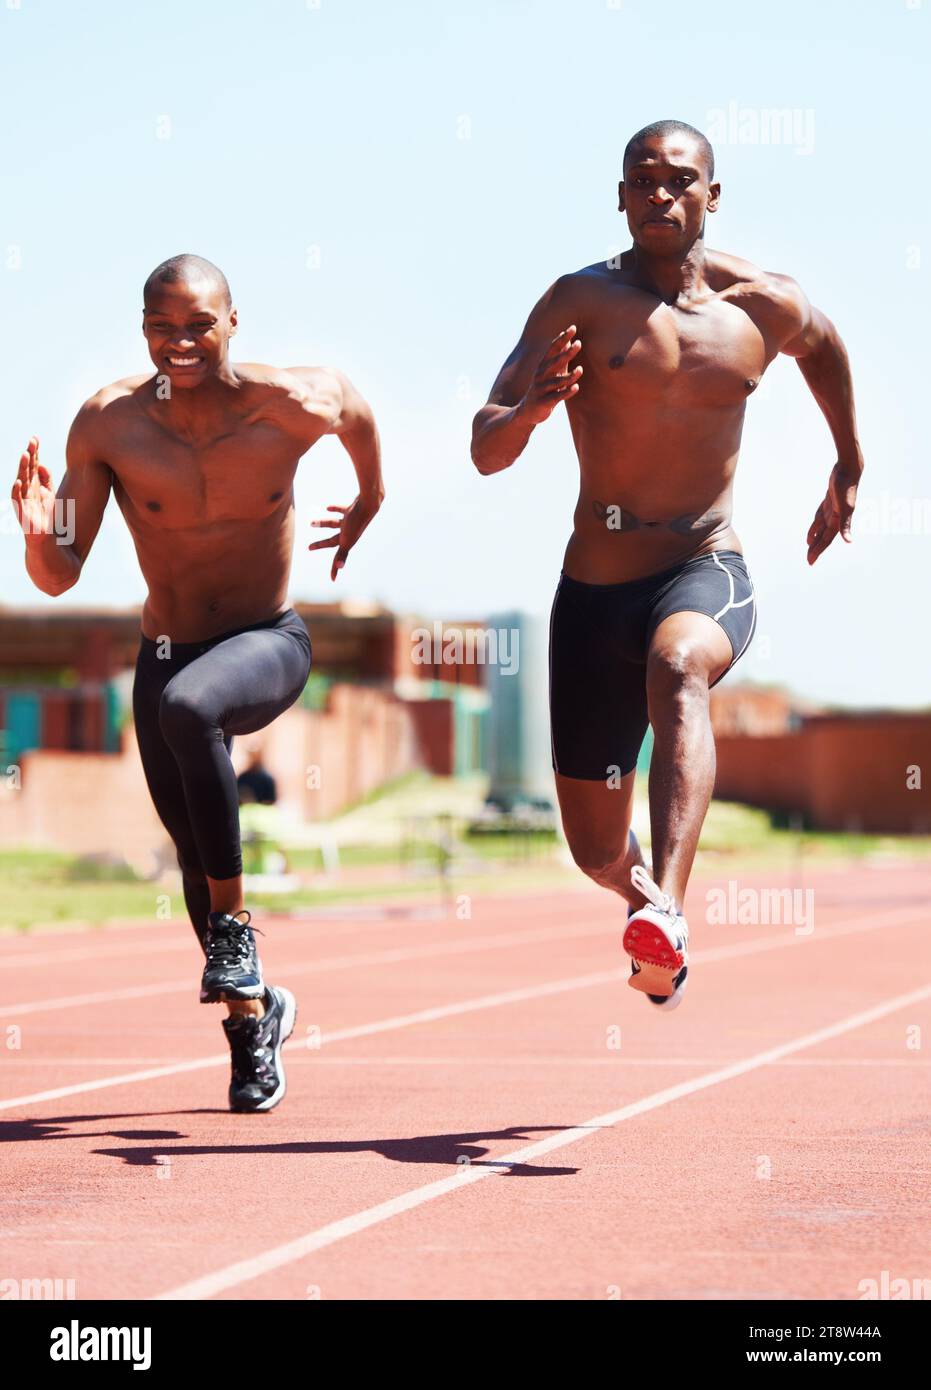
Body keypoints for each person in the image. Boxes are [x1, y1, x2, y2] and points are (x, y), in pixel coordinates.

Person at [471, 120, 862, 1011]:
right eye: (640, 181)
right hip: (593, 595)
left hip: (702, 566)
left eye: (678, 180)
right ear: (618, 197)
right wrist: (531, 411)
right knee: (595, 851)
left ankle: (672, 914)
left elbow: (826, 345)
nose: (659, 194)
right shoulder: (578, 300)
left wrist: (847, 463)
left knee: (678, 664)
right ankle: (640, 900)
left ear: (710, 196)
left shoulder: (764, 306)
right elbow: (483, 449)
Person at [12, 253, 384, 1107]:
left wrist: (370, 498)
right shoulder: (108, 426)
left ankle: (234, 932)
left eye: (198, 324)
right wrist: (37, 536)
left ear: (233, 321)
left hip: (267, 641)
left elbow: (356, 412)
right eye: (161, 327)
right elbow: (61, 573)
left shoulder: (291, 402)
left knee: (193, 707)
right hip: (168, 652)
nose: (179, 342)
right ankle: (254, 1022)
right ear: (143, 329)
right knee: (194, 855)